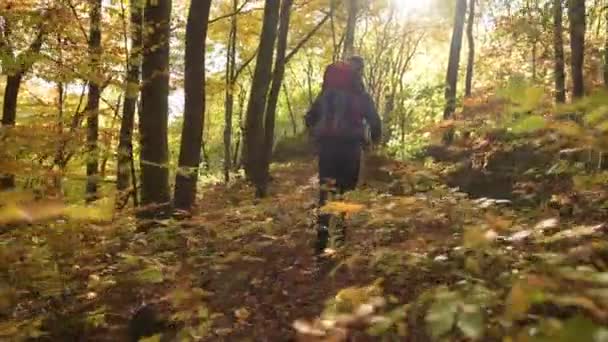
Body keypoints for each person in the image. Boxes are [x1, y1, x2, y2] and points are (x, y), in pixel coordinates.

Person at [305, 56, 381, 255]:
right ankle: (340, 239)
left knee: (326, 190)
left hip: (327, 148)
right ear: (360, 71)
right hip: (351, 148)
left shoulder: (327, 94)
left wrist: (317, 136)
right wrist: (374, 142)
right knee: (346, 191)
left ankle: (321, 240)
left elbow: (310, 118)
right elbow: (375, 122)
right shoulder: (361, 95)